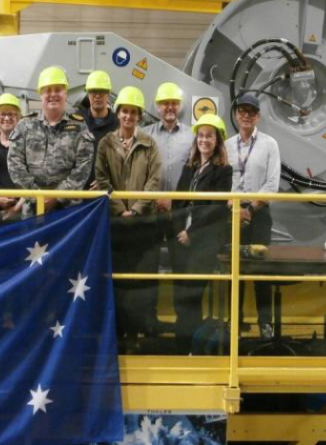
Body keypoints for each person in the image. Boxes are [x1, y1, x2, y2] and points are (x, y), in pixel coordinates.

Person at [94, 86, 162, 346]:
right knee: (117, 280)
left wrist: (135, 210)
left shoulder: (149, 144)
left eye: (133, 112)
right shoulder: (106, 144)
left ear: (139, 116)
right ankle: (118, 333)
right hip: (115, 225)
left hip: (142, 225)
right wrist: (119, 208)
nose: (128, 116)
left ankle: (137, 334)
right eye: (124, 111)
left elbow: (154, 181)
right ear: (118, 113)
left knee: (140, 283)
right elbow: (101, 179)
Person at [170, 114, 232, 354]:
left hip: (204, 241)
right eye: (201, 136)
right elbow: (178, 200)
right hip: (181, 240)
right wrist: (179, 230)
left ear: (217, 141)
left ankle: (191, 349)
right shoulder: (190, 167)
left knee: (192, 295)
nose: (204, 140)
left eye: (210, 136)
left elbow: (215, 209)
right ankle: (181, 347)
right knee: (179, 295)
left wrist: (191, 233)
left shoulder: (223, 170)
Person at [225, 93, 281, 339]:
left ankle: (265, 323)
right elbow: (222, 181)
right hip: (232, 214)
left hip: (259, 214)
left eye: (251, 112)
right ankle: (235, 321)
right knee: (234, 269)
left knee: (261, 270)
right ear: (236, 115)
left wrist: (251, 208)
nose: (246, 115)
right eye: (242, 111)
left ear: (258, 116)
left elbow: (272, 183)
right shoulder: (227, 145)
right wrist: (234, 208)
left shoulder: (270, 145)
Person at [7, 66, 94, 215]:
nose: (53, 94)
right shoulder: (25, 125)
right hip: (32, 208)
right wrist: (37, 196)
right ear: (41, 94)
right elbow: (15, 163)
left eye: (58, 90)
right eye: (48, 90)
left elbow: (83, 167)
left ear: (66, 94)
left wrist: (57, 197)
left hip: (67, 210)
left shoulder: (79, 127)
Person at [142, 82, 193, 210]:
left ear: (180, 106)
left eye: (174, 103)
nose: (170, 107)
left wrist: (175, 201)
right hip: (151, 206)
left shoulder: (192, 135)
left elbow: (195, 172)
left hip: (180, 207)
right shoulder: (144, 135)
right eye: (165, 103)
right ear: (158, 106)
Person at [74, 70, 118, 189]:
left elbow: (125, 160)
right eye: (93, 91)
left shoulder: (118, 124)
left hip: (107, 193)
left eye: (102, 91)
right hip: (78, 191)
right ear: (88, 93)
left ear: (108, 93)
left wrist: (107, 179)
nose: (97, 96)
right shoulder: (76, 121)